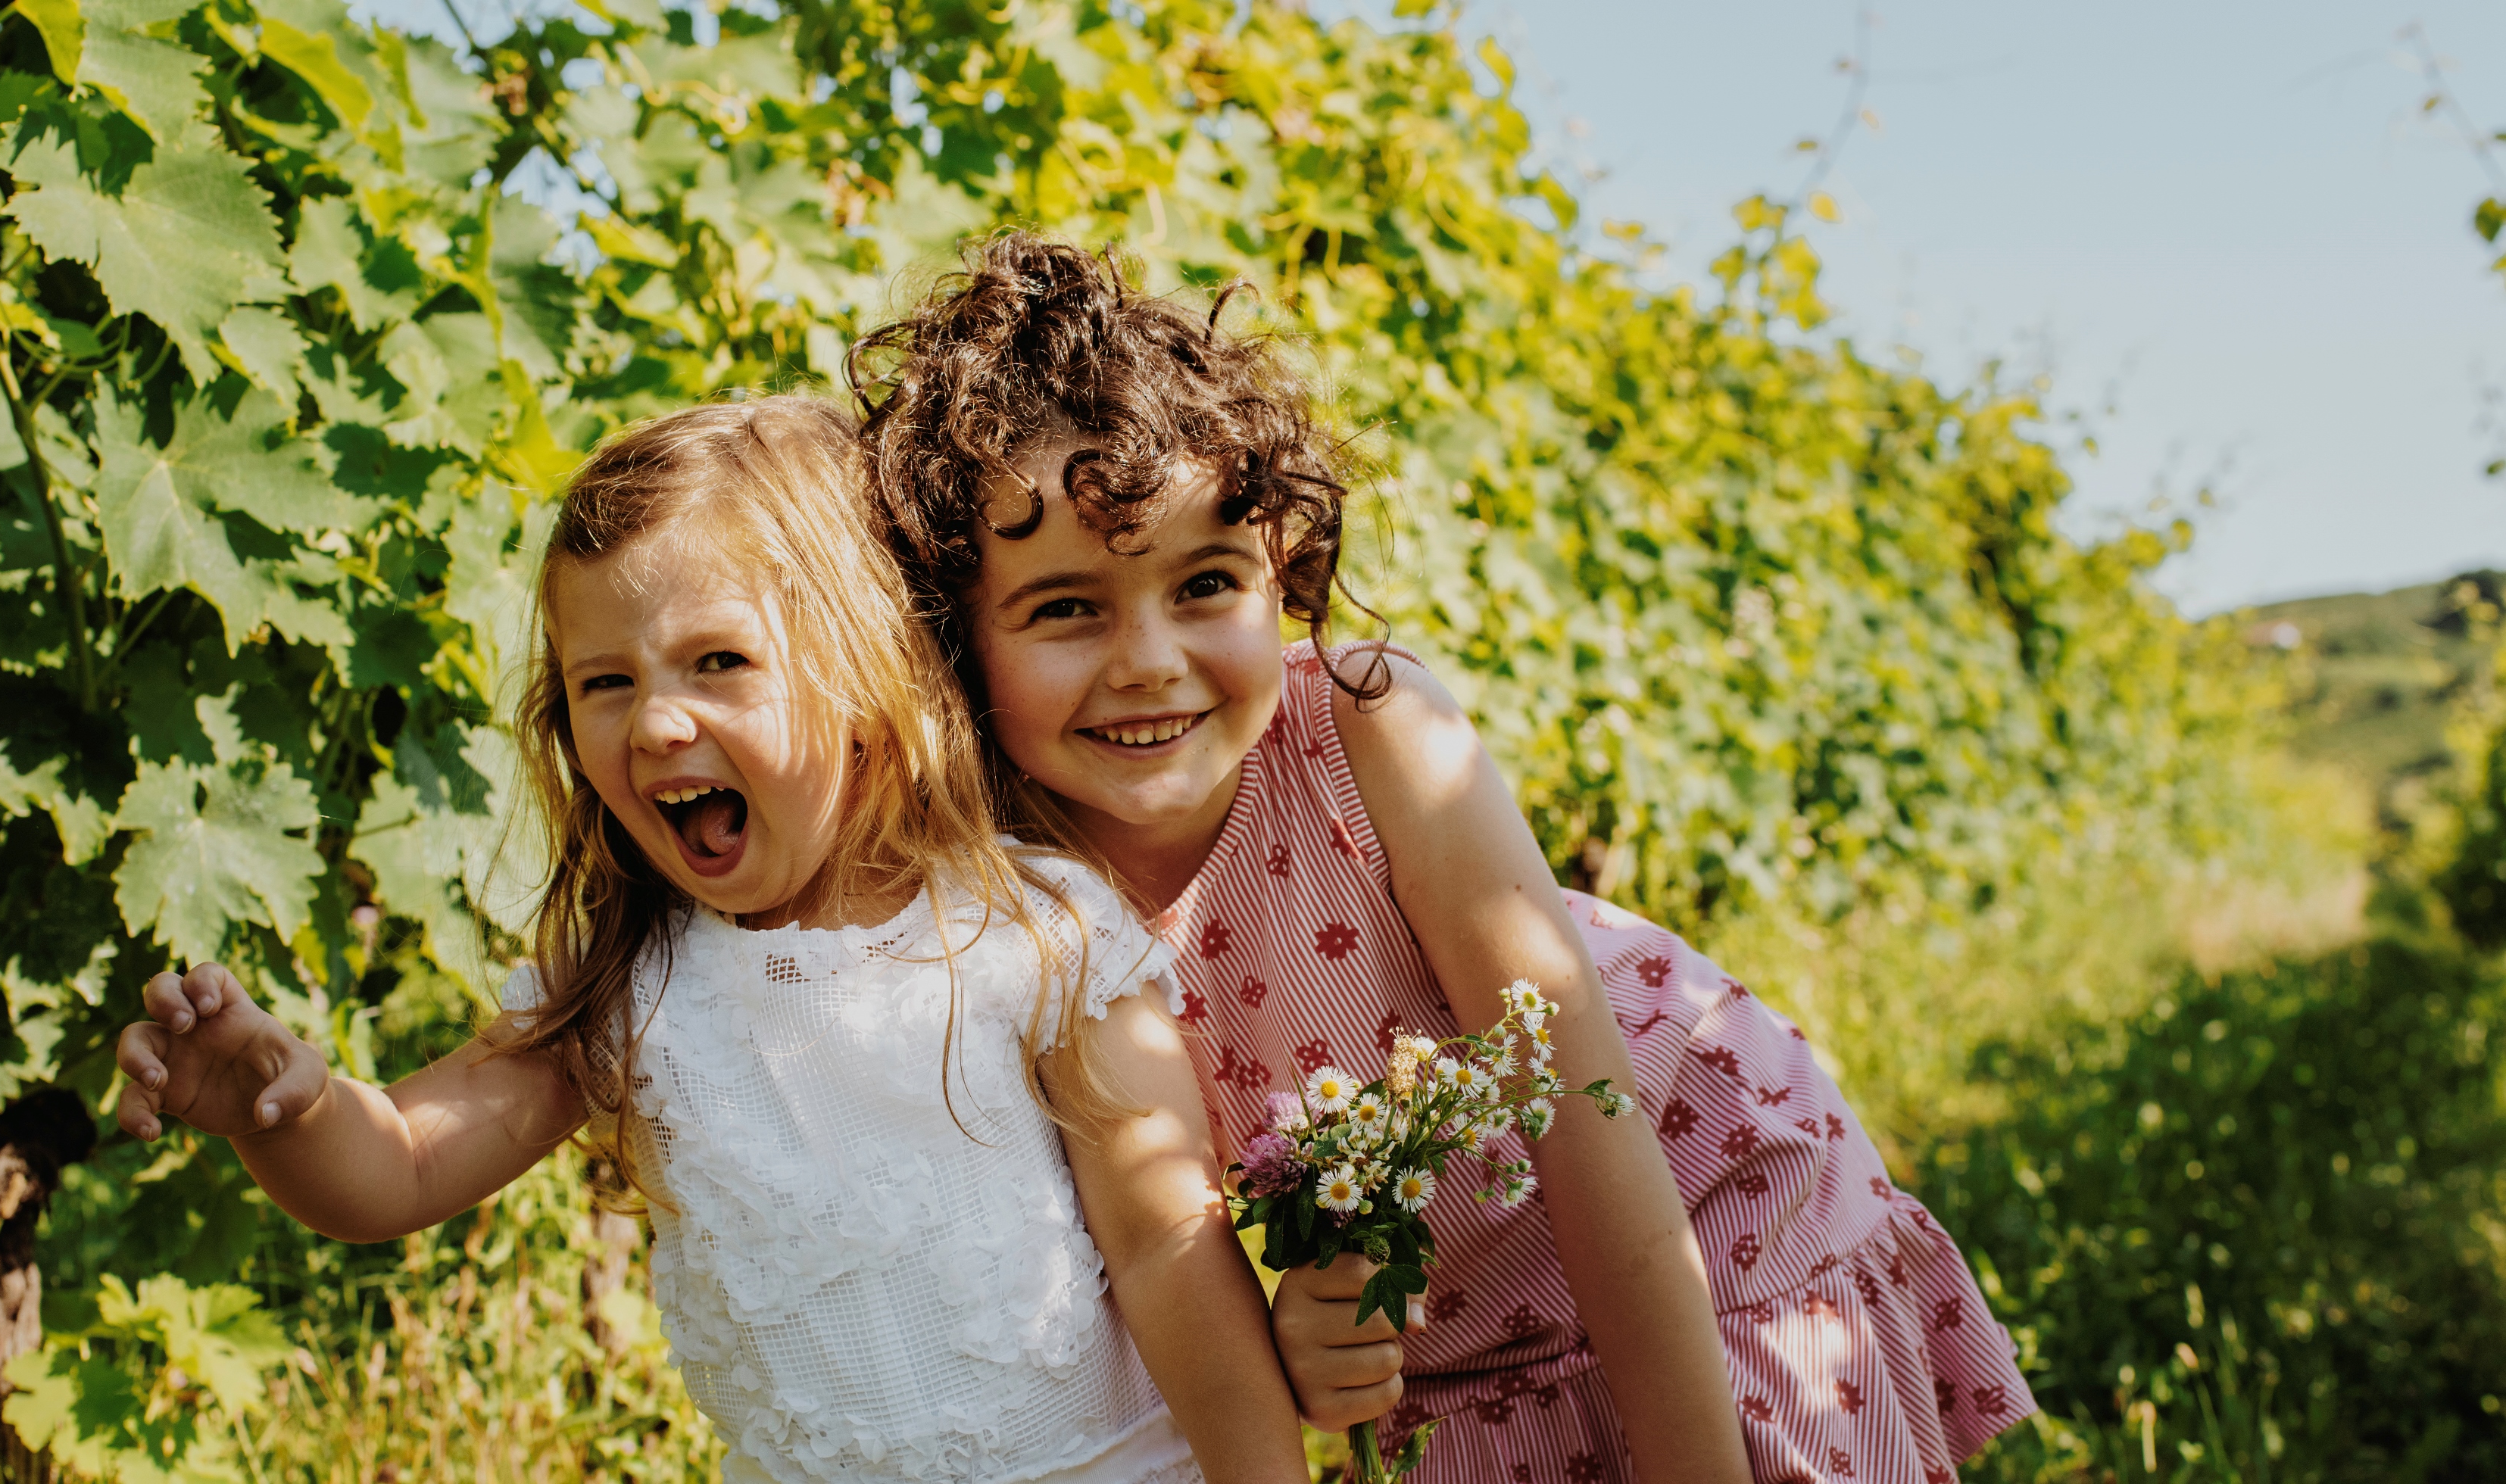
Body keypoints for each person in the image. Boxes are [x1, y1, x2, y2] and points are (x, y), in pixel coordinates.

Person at [850, 235, 2036, 1483]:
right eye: (1067, 608)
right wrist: (1305, 1343)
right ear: (957, 634)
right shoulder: (1023, 897)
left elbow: (1589, 1118)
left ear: (1282, 576)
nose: (1148, 661)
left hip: (1701, 1209)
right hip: (1469, 1345)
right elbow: (1171, 1246)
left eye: (1206, 584)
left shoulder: (1367, 733)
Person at [111, 397, 1309, 1484]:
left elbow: (1167, 1250)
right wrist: (290, 1109)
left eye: (717, 664)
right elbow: (401, 1170)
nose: (656, 724)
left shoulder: (1031, 936)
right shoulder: (637, 989)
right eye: (605, 684)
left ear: (865, 672)